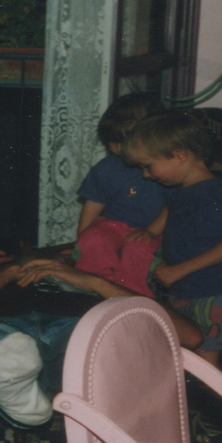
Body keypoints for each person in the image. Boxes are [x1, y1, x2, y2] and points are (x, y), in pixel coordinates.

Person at [122, 111, 222, 367]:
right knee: (185, 354)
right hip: (188, 289)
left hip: (214, 291)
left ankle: (208, 394)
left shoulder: (211, 194)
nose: (146, 175)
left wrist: (178, 271)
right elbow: (170, 210)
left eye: (148, 166)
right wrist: (150, 231)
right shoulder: (183, 189)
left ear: (180, 154)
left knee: (205, 360)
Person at [73, 93, 169, 297]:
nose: (115, 147)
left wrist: (150, 231)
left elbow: (173, 206)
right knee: (95, 239)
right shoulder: (106, 168)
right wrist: (82, 237)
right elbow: (94, 203)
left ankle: (133, 295)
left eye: (122, 140)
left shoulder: (163, 168)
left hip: (154, 231)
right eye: (111, 140)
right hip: (114, 226)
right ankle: (95, 287)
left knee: (137, 249)